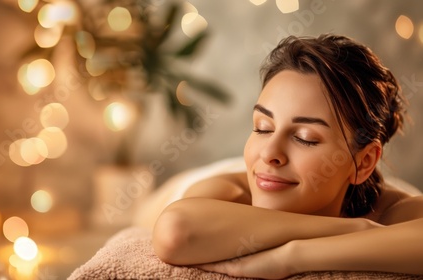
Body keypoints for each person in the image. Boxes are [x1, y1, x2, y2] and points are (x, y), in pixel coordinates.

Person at [147, 34, 423, 279]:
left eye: (305, 138)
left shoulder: (390, 208)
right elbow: (175, 231)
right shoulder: (227, 191)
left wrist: (292, 257)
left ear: (363, 162)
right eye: (262, 128)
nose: (269, 153)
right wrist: (356, 231)